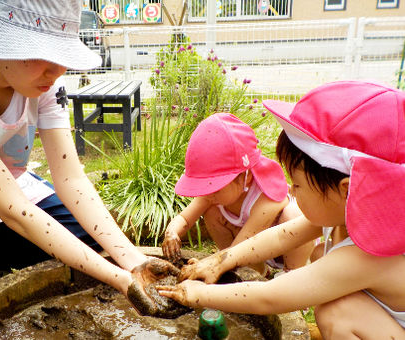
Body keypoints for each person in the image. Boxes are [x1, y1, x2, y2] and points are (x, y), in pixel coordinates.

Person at [0, 0, 178, 332]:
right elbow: (14, 209)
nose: (59, 70)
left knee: (92, 239)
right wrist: (121, 280)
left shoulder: (45, 77)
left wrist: (133, 261)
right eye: (45, 53)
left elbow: (70, 178)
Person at [157, 81, 405, 339]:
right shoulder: (350, 211)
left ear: (345, 190)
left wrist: (197, 294)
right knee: (322, 256)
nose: (292, 191)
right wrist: (220, 260)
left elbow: (270, 298)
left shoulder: (367, 255)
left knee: (337, 312)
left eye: (297, 184)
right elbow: (279, 236)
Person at [162, 112, 313, 274]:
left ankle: (292, 274)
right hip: (249, 250)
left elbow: (244, 244)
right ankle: (253, 271)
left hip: (285, 245)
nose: (208, 193)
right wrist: (172, 233)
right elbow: (185, 218)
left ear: (244, 178)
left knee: (293, 215)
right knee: (212, 212)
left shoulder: (266, 198)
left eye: (215, 187)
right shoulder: (214, 195)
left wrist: (212, 264)